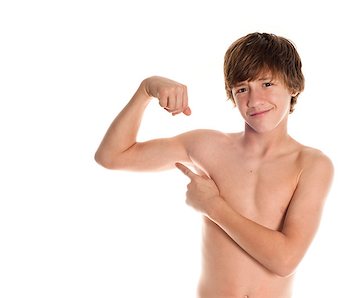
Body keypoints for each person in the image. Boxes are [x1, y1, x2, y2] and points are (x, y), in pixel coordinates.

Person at [95, 32, 334, 298]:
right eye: (242, 89)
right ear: (232, 95)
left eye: (267, 84)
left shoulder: (311, 164)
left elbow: (284, 260)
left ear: (293, 85)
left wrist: (212, 205)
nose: (254, 100)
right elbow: (112, 156)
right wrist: (146, 89)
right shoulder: (209, 147)